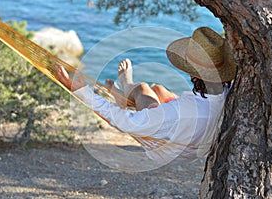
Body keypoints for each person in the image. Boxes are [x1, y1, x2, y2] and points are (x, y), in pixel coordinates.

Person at [55, 27, 236, 165]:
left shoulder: (180, 112)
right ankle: (125, 92)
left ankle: (127, 86)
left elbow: (124, 121)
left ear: (194, 75)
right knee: (159, 89)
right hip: (196, 141)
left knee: (143, 89)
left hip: (169, 150)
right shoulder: (230, 91)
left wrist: (79, 90)